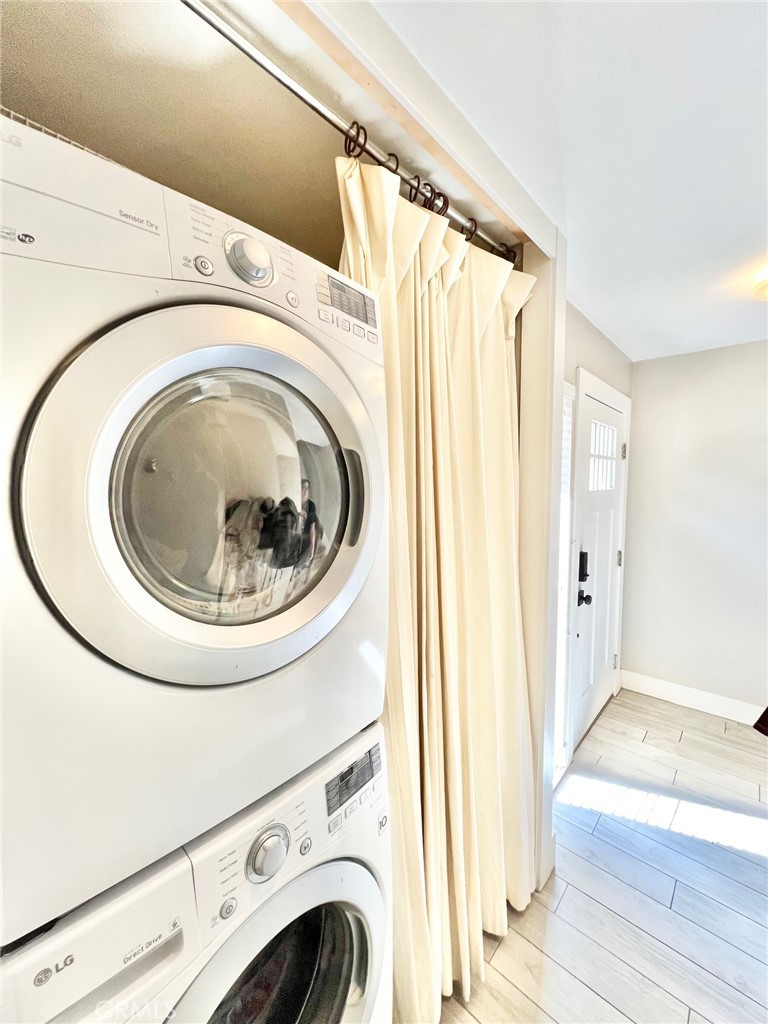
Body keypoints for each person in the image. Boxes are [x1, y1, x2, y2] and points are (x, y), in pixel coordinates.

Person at [300, 478, 317, 565]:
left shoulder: (311, 506)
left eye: (307, 488)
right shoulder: (294, 501)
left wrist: (312, 547)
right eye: (303, 487)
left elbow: (312, 529)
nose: (305, 491)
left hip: (304, 538)